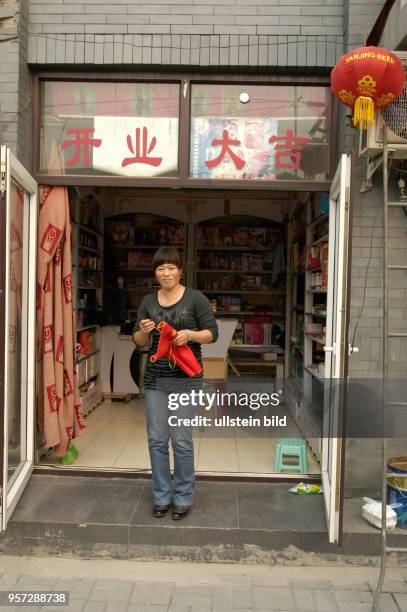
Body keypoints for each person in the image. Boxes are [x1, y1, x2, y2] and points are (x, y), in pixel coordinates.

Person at [133, 247, 218, 520]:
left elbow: (211, 334)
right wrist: (143, 333)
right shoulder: (148, 301)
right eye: (160, 268)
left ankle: (182, 496)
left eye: (171, 267)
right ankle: (161, 495)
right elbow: (138, 341)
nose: (166, 273)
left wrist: (190, 335)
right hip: (155, 379)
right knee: (157, 440)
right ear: (155, 272)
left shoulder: (196, 299)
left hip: (186, 379)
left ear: (181, 270)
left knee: (181, 440)